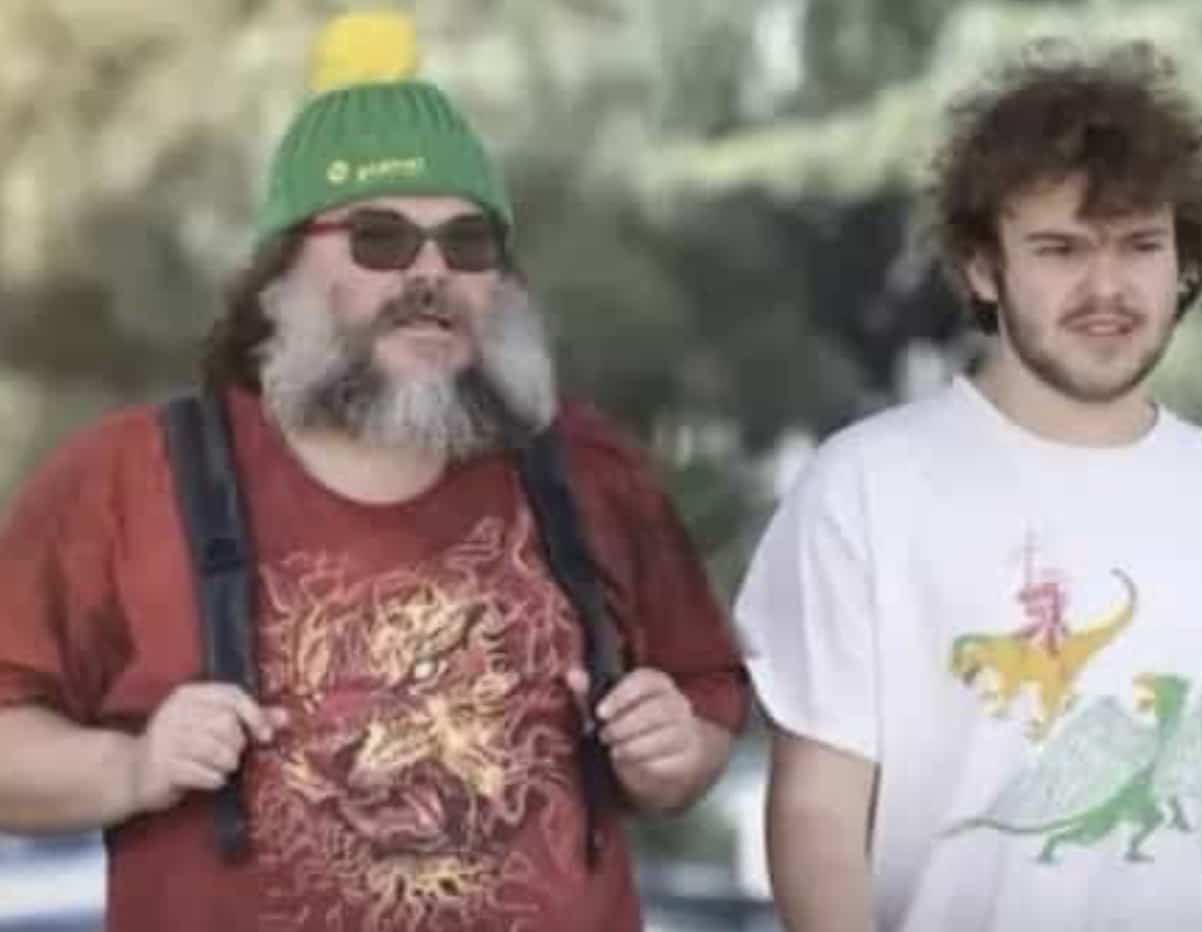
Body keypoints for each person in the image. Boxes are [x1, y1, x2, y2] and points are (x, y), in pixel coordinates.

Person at [0, 10, 747, 931]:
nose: (427, 273)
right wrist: (130, 768)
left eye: (467, 243)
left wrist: (677, 754)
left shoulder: (591, 474)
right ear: (280, 274)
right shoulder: (124, 480)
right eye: (380, 239)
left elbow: (707, 702)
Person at [733, 39, 1202, 932]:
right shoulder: (863, 491)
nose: (1107, 286)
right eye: (1060, 249)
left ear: (1182, 259)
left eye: (1140, 245)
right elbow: (816, 812)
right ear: (981, 266)